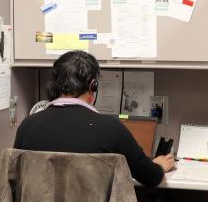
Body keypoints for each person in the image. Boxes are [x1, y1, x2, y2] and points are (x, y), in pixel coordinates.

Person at [14, 51, 175, 186]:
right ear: (93, 86)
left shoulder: (27, 126)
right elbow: (151, 178)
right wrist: (159, 166)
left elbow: (15, 178)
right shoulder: (111, 129)